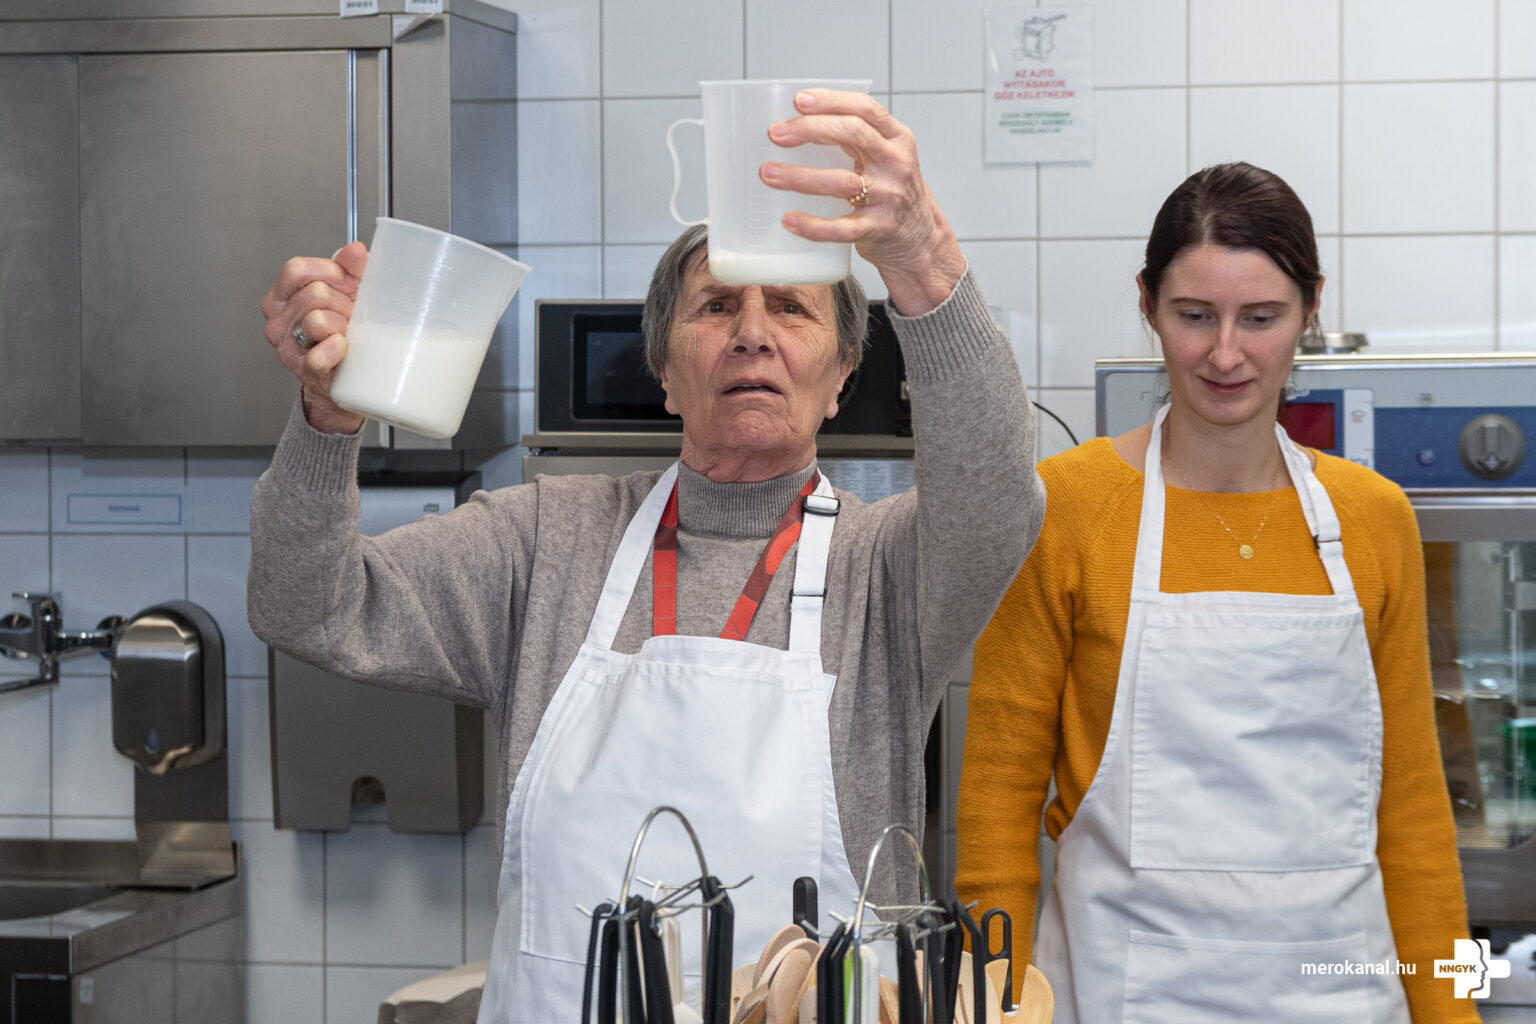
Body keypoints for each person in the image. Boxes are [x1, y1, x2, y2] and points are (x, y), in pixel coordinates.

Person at [249, 89, 1045, 1022]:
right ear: (664, 371)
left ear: (840, 379)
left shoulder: (889, 571)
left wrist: (923, 258)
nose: (752, 333)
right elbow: (307, 605)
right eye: (717, 305)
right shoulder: (542, 541)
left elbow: (997, 500)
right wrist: (326, 420)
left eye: (791, 307)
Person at [956, 163, 1476, 1023]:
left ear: (1311, 308)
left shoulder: (1374, 518)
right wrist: (993, 1004)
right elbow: (996, 811)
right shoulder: (1069, 507)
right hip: (1123, 991)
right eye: (1194, 315)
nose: (1225, 353)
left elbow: (1416, 815)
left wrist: (1455, 1012)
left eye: (1260, 318)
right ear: (1147, 304)